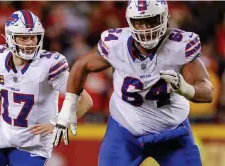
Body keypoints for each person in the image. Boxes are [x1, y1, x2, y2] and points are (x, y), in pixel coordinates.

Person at [52, 1, 213, 166]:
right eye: (139, 22)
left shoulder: (179, 46)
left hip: (173, 134)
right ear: (130, 22)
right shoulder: (116, 44)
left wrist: (186, 89)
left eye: (151, 21)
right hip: (125, 131)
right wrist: (68, 108)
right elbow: (81, 65)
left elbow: (207, 92)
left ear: (165, 18)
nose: (145, 28)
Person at [0, 10, 92, 166]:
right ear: (10, 37)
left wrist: (60, 123)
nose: (30, 42)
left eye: (33, 37)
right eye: (23, 37)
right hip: (2, 134)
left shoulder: (48, 66)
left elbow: (85, 101)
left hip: (33, 145)